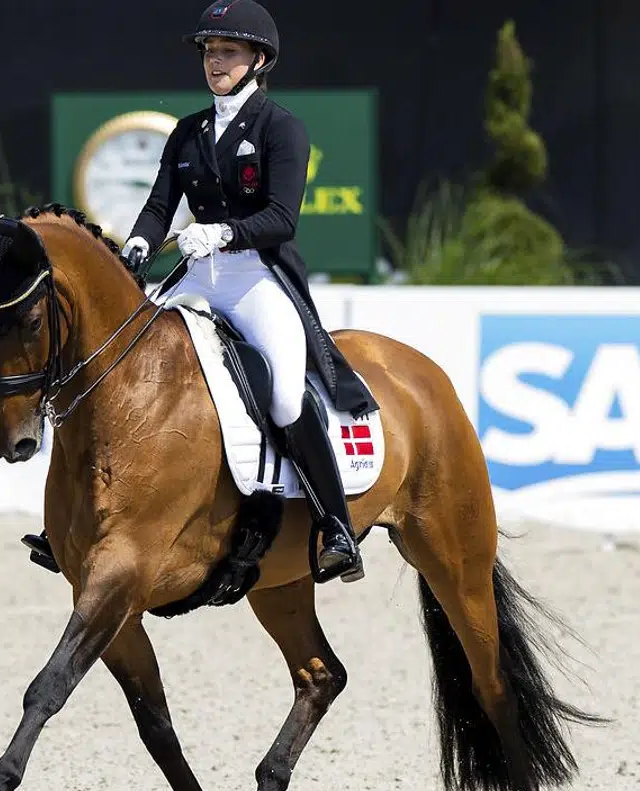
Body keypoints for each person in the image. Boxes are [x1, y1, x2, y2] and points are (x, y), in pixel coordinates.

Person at [20, 0, 376, 585]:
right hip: (198, 277)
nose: (216, 62)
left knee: (286, 396)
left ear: (259, 59)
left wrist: (225, 231)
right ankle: (69, 525)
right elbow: (160, 205)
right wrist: (136, 244)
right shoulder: (189, 131)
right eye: (211, 52)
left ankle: (335, 527)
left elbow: (282, 217)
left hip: (258, 276)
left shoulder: (280, 127)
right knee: (117, 367)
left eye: (228, 52)